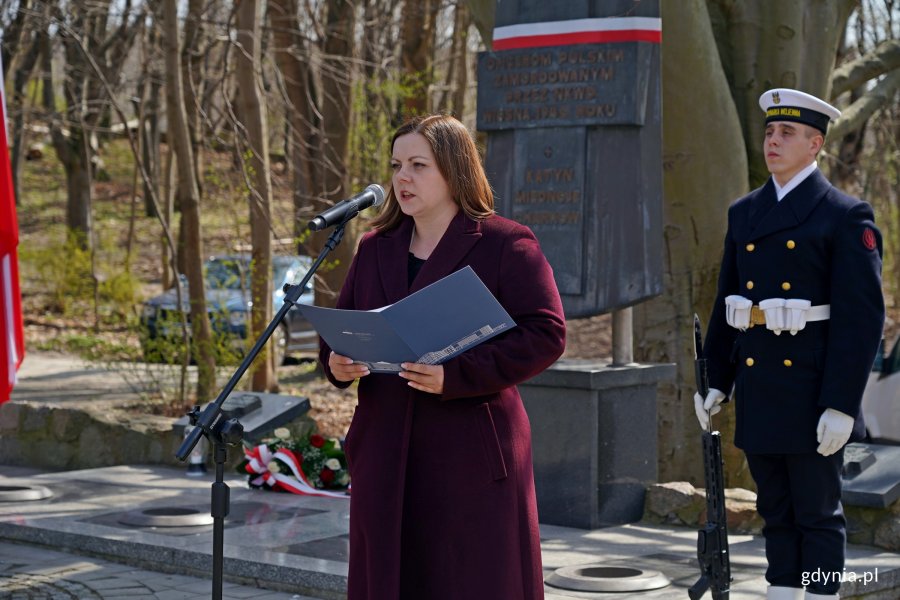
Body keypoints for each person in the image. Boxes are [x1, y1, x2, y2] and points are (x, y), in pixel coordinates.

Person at [319, 114, 566, 600]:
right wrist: (336, 362)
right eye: (396, 165)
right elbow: (341, 327)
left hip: (469, 455)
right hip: (385, 450)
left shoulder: (504, 243)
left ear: (454, 170)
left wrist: (456, 375)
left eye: (417, 165)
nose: (402, 178)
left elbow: (546, 333)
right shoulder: (374, 248)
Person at [695, 88, 884, 600]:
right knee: (775, 510)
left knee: (818, 515)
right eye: (770, 131)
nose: (773, 140)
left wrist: (842, 403)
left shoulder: (844, 214)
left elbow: (862, 320)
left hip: (813, 389)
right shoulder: (745, 212)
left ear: (815, 144)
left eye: (788, 133)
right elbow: (728, 303)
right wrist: (716, 379)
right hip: (761, 384)